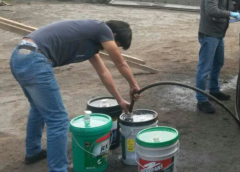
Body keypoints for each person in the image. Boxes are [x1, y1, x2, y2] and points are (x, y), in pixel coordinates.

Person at [10, 20, 141, 172]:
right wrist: (133, 85)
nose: (112, 49)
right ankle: (58, 169)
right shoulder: (102, 28)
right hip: (34, 60)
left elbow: (104, 73)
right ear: (113, 35)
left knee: (38, 109)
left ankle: (33, 152)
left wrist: (119, 100)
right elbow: (120, 62)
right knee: (58, 120)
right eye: (115, 44)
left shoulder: (90, 42)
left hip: (21, 56)